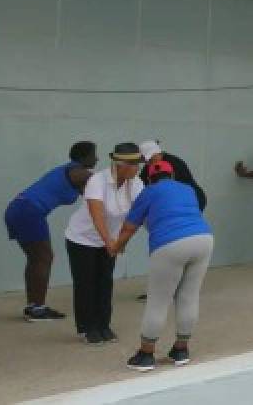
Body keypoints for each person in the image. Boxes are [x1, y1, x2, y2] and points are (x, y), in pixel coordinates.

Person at [110, 160, 214, 372]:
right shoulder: (187, 189)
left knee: (158, 300)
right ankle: (181, 350)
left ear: (148, 178)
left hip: (170, 244)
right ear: (172, 174)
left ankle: (146, 354)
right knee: (189, 296)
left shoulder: (148, 192)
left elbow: (129, 227)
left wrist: (116, 247)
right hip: (203, 239)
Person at [4, 141, 98, 321]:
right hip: (29, 210)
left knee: (36, 259)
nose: (97, 158)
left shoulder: (72, 171)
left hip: (18, 208)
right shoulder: (80, 172)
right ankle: (37, 309)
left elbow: (91, 196)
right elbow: (103, 184)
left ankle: (34, 306)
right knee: (43, 258)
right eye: (94, 154)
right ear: (84, 157)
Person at [64, 142, 144, 343]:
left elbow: (136, 215)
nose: (138, 168)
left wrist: (121, 241)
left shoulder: (136, 183)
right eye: (134, 164)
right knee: (86, 283)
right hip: (82, 239)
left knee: (105, 282)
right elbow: (96, 214)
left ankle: (103, 325)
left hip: (111, 240)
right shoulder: (97, 181)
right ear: (120, 164)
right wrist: (110, 242)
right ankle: (87, 328)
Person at [141, 140, 206, 212]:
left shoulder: (175, 163)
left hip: (194, 200)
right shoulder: (150, 165)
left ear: (158, 153)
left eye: (150, 159)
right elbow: (142, 184)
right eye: (146, 161)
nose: (148, 163)